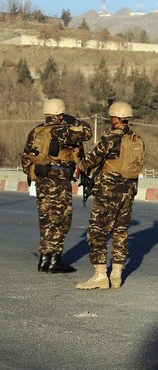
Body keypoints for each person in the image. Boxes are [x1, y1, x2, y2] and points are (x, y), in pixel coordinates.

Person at [76, 101, 144, 290]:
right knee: (120, 230)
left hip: (109, 191)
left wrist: (80, 167)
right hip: (128, 190)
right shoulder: (136, 139)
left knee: (98, 230)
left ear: (115, 118)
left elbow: (91, 158)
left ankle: (100, 276)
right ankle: (116, 275)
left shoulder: (111, 138)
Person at [21, 98, 93, 273]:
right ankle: (55, 260)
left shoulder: (36, 131)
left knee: (46, 219)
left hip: (41, 180)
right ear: (60, 114)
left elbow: (25, 159)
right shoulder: (63, 131)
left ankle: (44, 259)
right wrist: (73, 120)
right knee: (60, 219)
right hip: (58, 180)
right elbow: (87, 132)